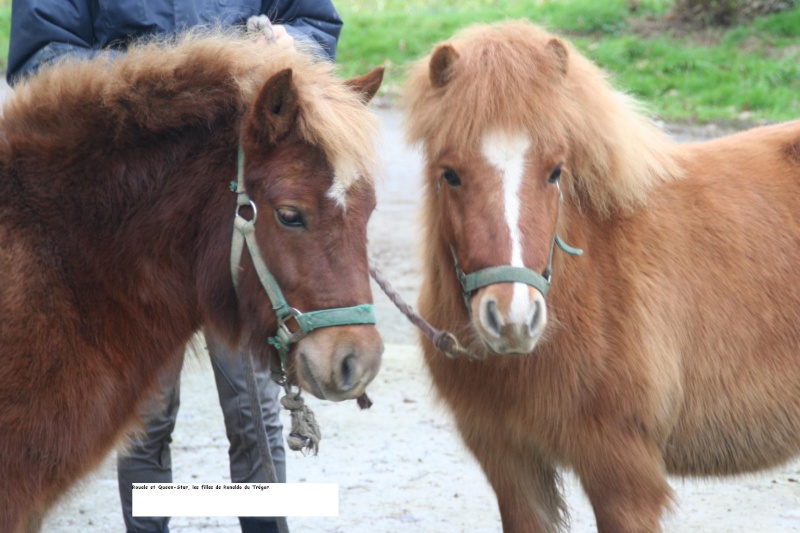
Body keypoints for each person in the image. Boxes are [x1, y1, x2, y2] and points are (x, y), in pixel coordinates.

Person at [6, 3, 343, 533]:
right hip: (135, 230)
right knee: (142, 421)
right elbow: (39, 56)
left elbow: (316, 24)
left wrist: (289, 45)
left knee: (253, 413)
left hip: (243, 210)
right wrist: (177, 80)